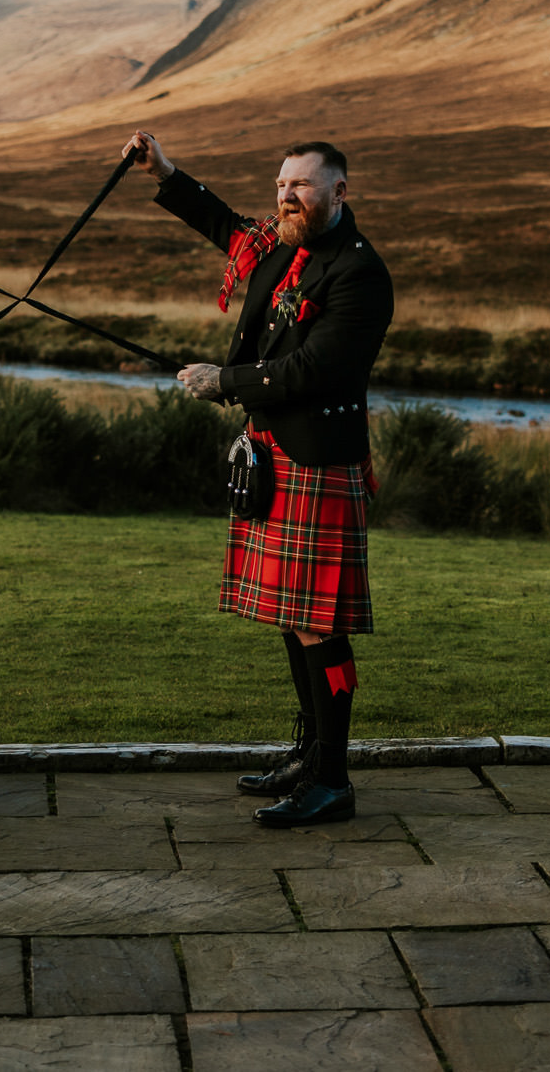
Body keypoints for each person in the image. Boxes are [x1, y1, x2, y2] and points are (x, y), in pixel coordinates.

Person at [125, 130, 395, 827]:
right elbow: (225, 225)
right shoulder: (285, 247)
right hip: (276, 453)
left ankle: (332, 778)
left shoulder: (359, 274)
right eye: (280, 185)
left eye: (300, 185)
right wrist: (168, 171)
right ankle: (309, 756)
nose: (285, 197)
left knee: (321, 628)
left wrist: (226, 382)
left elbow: (316, 369)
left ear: (340, 191)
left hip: (319, 462)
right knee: (291, 619)